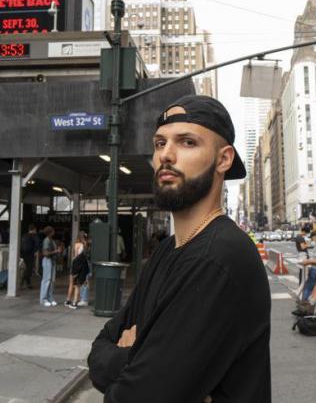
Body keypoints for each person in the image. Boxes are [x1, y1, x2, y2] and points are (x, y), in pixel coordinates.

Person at [88, 95, 271, 403]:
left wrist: (130, 352)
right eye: (160, 143)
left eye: (187, 142)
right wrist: (137, 358)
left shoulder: (217, 258)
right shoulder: (168, 250)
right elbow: (99, 350)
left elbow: (135, 398)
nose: (166, 155)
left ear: (223, 159)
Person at [64, 231, 87, 309]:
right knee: (77, 285)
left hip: (75, 265)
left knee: (71, 284)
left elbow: (74, 256)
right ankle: (74, 302)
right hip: (81, 267)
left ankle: (68, 300)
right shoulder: (84, 245)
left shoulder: (76, 245)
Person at [39, 226, 58, 307]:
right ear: (50, 232)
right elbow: (45, 253)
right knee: (47, 280)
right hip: (48, 261)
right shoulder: (47, 241)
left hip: (52, 261)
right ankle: (43, 299)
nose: (54, 232)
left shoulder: (50, 240)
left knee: (52, 280)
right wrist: (55, 251)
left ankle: (50, 298)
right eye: (53, 231)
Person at [20, 224, 39, 289]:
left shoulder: (24, 235)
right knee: (29, 269)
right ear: (34, 229)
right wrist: (36, 251)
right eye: (35, 230)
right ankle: (22, 282)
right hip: (30, 254)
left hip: (23, 254)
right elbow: (37, 244)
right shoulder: (34, 236)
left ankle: (28, 284)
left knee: (28, 268)